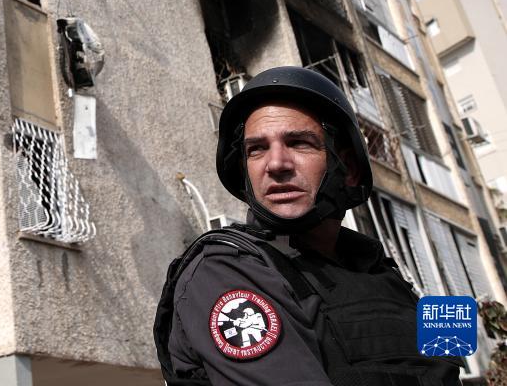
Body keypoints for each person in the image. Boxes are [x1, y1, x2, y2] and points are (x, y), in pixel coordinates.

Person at [153, 66, 462, 385]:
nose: (276, 164)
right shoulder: (226, 269)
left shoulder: (382, 271)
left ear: (349, 169)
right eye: (257, 149)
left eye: (299, 143)